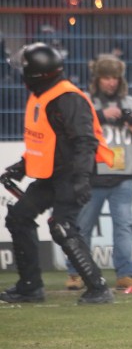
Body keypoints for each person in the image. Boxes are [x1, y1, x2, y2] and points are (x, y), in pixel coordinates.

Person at [1, 43, 115, 304]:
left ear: (37, 73)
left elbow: (86, 142)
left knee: (62, 228)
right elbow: (44, 142)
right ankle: (30, 287)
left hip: (73, 173)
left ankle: (98, 288)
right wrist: (21, 167)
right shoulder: (43, 96)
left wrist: (82, 179)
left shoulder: (67, 98)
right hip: (53, 174)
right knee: (19, 217)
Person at [63, 54, 132, 291]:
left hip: (122, 177)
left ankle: (125, 273)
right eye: (106, 77)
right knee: (83, 227)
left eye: (115, 77)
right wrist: (102, 116)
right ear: (97, 78)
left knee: (123, 227)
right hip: (92, 176)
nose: (111, 82)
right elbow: (72, 133)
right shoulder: (85, 102)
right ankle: (76, 272)